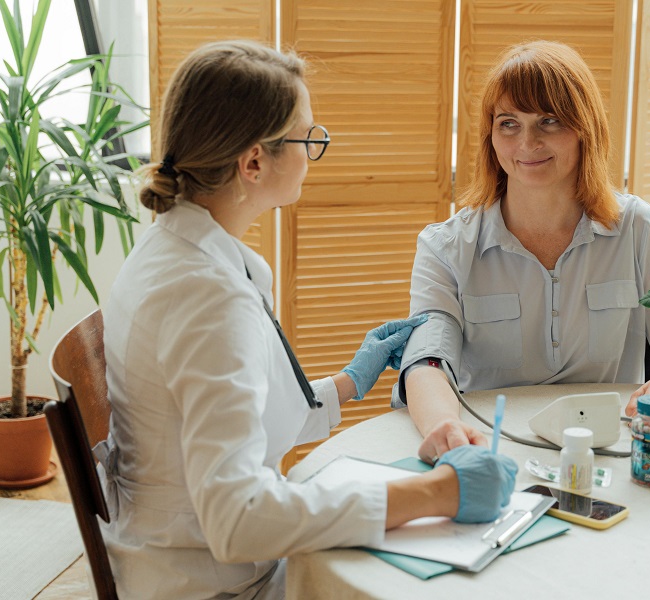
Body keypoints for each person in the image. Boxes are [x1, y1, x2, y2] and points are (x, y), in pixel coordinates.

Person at [97, 40, 517, 600]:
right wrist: (436, 495)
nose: (315, 149)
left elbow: (219, 424)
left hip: (173, 555)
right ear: (253, 162)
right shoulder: (208, 298)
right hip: (214, 585)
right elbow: (238, 519)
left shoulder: (171, 250)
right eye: (308, 138)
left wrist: (345, 385)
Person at [395, 41, 650, 462]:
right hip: (489, 450)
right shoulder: (445, 247)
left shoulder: (636, 227)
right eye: (508, 123)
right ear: (491, 136)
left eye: (550, 121)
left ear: (585, 128)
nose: (527, 142)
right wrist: (443, 427)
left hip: (608, 454)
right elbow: (426, 363)